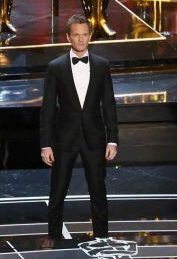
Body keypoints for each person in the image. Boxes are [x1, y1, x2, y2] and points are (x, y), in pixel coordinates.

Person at [40, 14, 119, 241]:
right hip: (64, 139)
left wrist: (112, 139)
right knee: (57, 192)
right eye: (76, 35)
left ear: (90, 36)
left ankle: (102, 238)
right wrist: (45, 144)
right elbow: (48, 109)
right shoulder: (55, 67)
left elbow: (109, 104)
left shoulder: (102, 66)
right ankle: (54, 237)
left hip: (94, 138)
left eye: (85, 35)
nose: (81, 40)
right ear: (68, 37)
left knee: (98, 191)